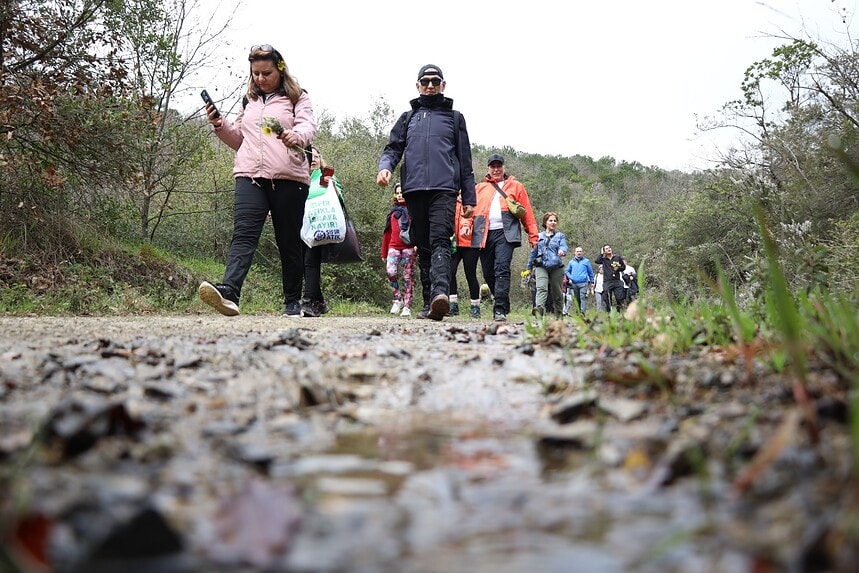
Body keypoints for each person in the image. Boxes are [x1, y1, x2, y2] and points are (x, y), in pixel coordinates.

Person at [198, 43, 316, 317]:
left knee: (288, 241)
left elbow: (308, 125)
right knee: (244, 234)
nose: (261, 79)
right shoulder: (248, 101)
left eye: (267, 73)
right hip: (250, 176)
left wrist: (296, 135)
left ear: (280, 70)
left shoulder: (298, 97)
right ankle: (230, 292)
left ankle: (292, 301)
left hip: (289, 177)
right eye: (256, 73)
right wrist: (219, 125)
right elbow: (238, 140)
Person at [376, 64, 476, 321]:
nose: (430, 85)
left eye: (435, 81)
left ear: (443, 85)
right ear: (418, 85)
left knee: (440, 239)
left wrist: (469, 197)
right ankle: (429, 302)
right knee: (422, 244)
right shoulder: (408, 118)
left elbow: (465, 160)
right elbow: (393, 148)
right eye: (425, 81)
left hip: (445, 189)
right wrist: (385, 167)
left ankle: (439, 295)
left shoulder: (455, 118)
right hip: (414, 189)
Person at [474, 154, 539, 322]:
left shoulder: (516, 186)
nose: (496, 169)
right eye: (493, 166)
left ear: (503, 168)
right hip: (484, 234)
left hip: (506, 233)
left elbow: (527, 213)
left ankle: (500, 308)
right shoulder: (479, 188)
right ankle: (503, 300)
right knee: (488, 272)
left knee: (501, 268)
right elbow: (469, 211)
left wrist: (533, 236)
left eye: (499, 166)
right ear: (488, 168)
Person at [300, 146, 339, 318]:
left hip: (319, 226)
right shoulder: (296, 176)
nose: (313, 159)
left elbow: (339, 198)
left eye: (316, 156)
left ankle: (308, 302)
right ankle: (320, 302)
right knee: (302, 264)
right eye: (309, 156)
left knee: (310, 261)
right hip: (299, 225)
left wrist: (333, 186)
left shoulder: (325, 177)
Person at [381, 182, 416, 317]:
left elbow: (417, 230)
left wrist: (417, 245)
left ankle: (407, 306)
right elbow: (387, 234)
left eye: (402, 192)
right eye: (398, 193)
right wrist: (384, 252)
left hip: (408, 247)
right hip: (393, 246)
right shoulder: (392, 213)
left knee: (408, 277)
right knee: (390, 272)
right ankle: (397, 299)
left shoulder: (413, 211)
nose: (400, 195)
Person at [527, 212, 568, 318]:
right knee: (541, 288)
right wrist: (529, 267)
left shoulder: (560, 236)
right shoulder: (538, 236)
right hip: (541, 267)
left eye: (555, 221)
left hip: (557, 267)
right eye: (550, 220)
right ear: (545, 222)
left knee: (557, 293)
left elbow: (564, 246)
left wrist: (562, 251)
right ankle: (539, 309)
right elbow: (533, 253)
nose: (553, 222)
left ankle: (559, 315)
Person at [450, 192, 483, 318]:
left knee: (470, 274)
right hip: (454, 243)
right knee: (450, 271)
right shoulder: (450, 201)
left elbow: (471, 218)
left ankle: (475, 307)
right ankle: (453, 305)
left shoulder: (474, 201)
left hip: (470, 243)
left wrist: (466, 226)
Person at [594, 244, 626, 312]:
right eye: (606, 249)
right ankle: (609, 312)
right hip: (607, 281)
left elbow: (623, 267)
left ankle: (618, 310)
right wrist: (601, 254)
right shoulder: (603, 259)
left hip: (617, 280)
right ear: (604, 251)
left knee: (619, 297)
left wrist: (618, 268)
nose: (609, 249)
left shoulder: (617, 258)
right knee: (607, 297)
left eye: (609, 248)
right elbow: (597, 261)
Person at [564, 246, 595, 316]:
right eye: (577, 251)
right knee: (577, 298)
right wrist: (571, 277)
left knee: (582, 297)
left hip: (583, 283)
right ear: (575, 253)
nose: (579, 253)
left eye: (580, 251)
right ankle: (578, 311)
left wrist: (592, 282)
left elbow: (590, 272)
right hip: (574, 283)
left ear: (582, 252)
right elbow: (567, 271)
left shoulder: (586, 261)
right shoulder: (571, 262)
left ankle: (582, 312)